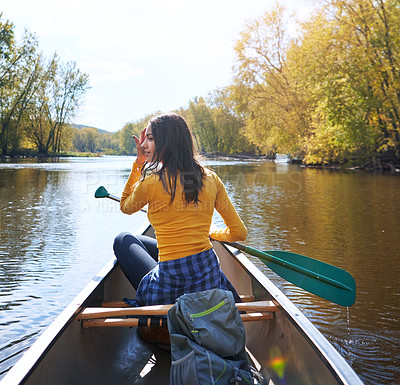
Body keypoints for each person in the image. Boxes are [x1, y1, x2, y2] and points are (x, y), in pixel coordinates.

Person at [113, 113, 247, 308]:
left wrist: (138, 164)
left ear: (166, 142)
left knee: (123, 240)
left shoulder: (150, 181)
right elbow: (239, 233)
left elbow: (125, 206)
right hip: (207, 283)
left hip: (168, 290)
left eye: (150, 139)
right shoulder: (211, 179)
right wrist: (212, 233)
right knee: (144, 242)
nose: (143, 145)